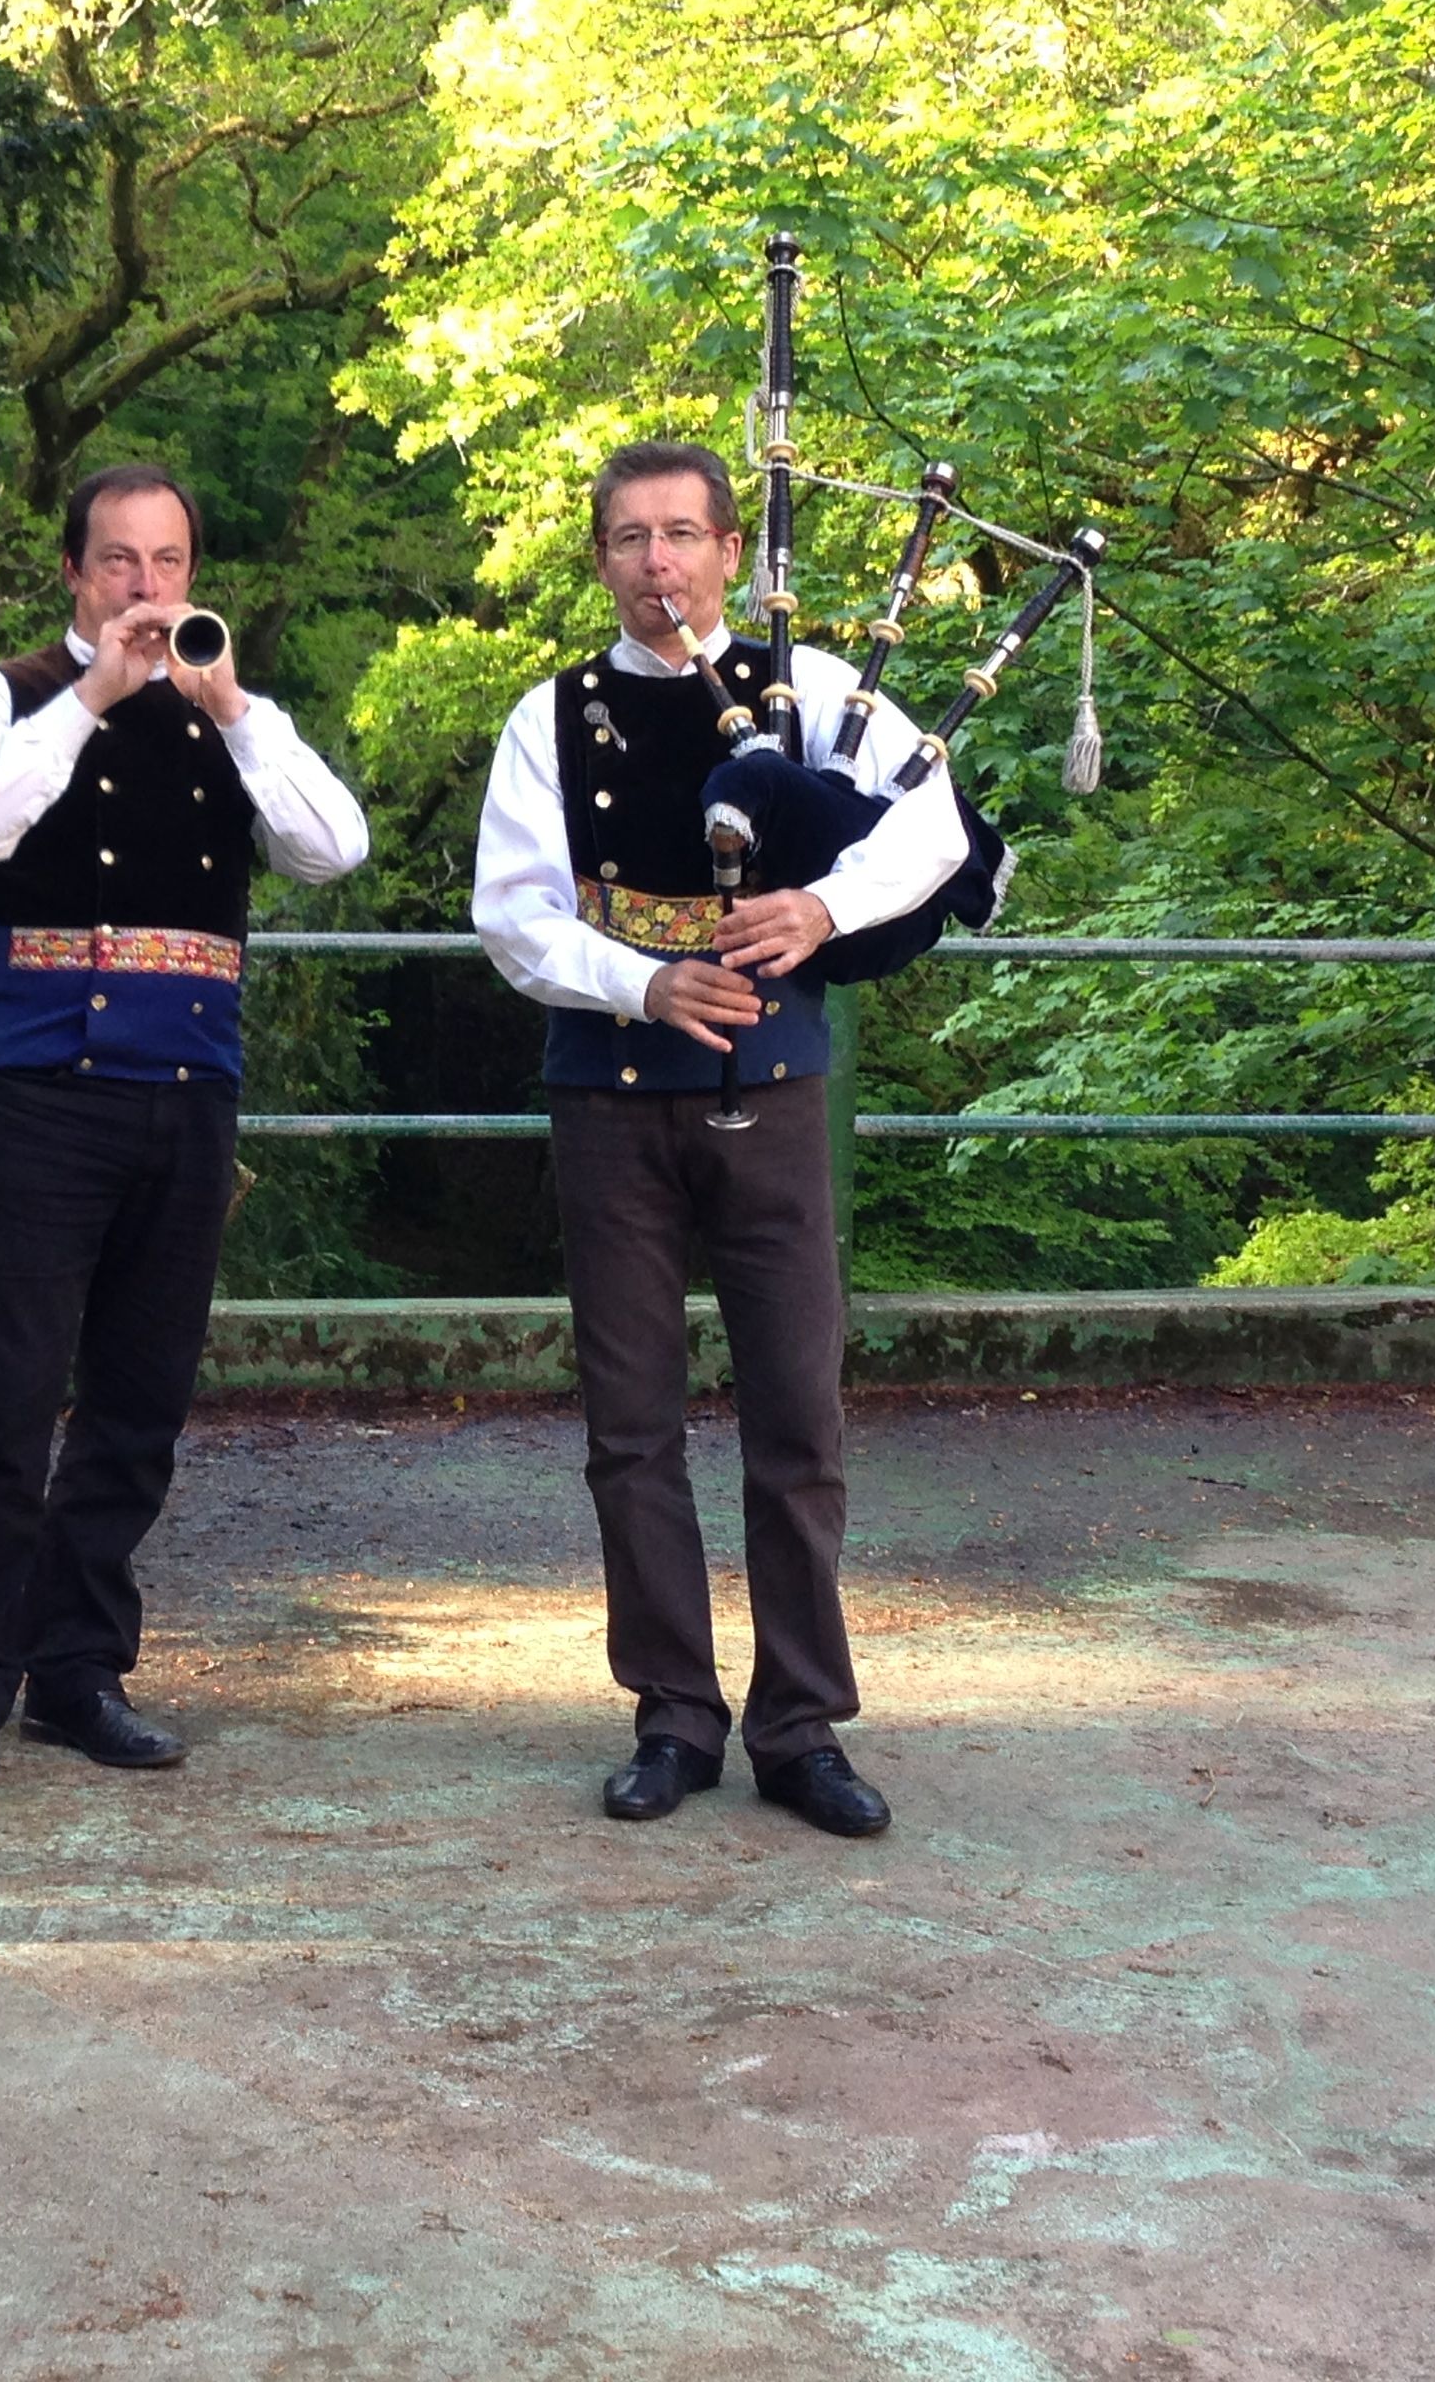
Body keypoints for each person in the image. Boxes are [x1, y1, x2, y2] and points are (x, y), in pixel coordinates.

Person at [471, 440, 967, 1834]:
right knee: (631, 1427)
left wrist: (823, 908)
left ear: (732, 553)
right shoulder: (552, 717)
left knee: (798, 1416)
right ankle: (674, 1717)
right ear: (600, 560)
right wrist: (644, 984)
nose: (659, 564)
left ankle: (800, 1728)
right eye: (630, 538)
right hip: (609, 1097)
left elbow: (935, 829)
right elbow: (512, 914)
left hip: (778, 1090)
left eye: (683, 535)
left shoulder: (812, 690)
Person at [0, 464, 368, 1784]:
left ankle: (78, 1671)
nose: (146, 588)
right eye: (119, 562)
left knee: (139, 1402)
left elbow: (335, 847)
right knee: (10, 1396)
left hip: (189, 1098)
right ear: (74, 571)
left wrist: (237, 712)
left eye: (168, 563)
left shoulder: (234, 715)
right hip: (45, 1097)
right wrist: (92, 698)